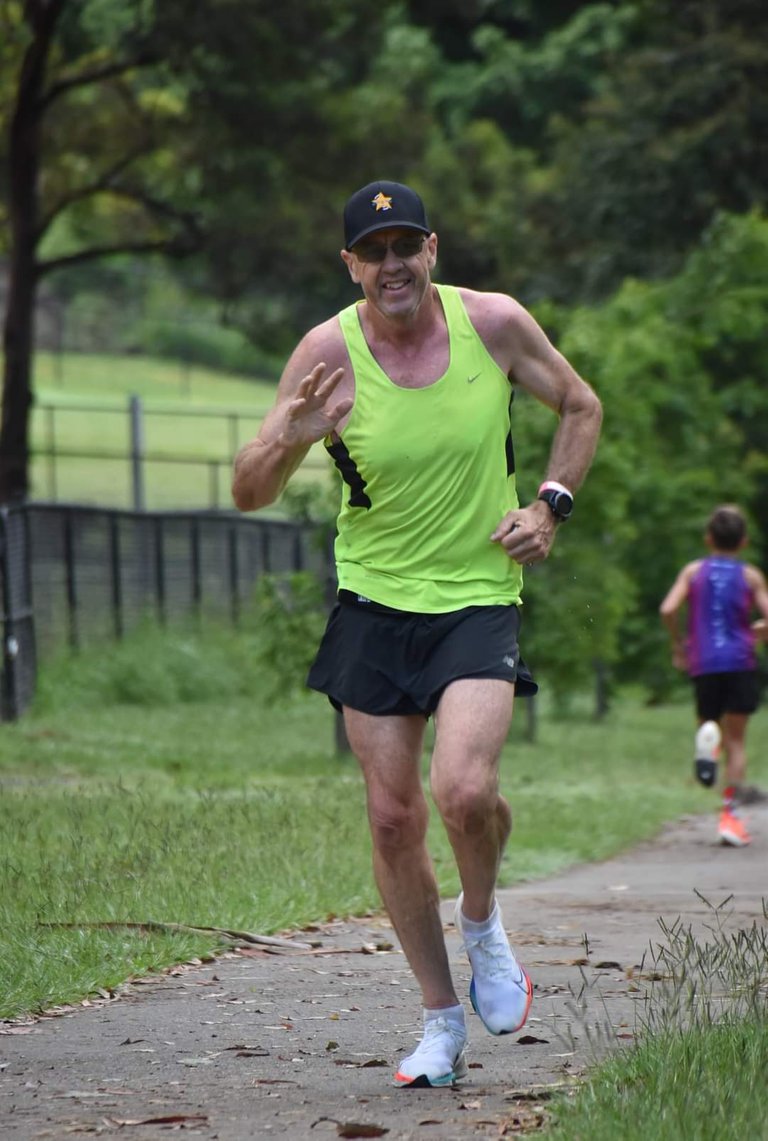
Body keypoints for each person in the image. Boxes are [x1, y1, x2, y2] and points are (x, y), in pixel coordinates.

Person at [232, 179, 602, 1087]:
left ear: (432, 248)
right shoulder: (328, 348)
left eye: (407, 245)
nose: (392, 264)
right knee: (393, 815)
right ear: (350, 263)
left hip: (478, 589)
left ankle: (481, 920)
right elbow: (247, 489)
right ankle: (440, 1021)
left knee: (466, 791)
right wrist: (290, 438)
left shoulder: (495, 324)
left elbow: (581, 406)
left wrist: (550, 507)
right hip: (375, 600)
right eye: (374, 250)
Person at [659, 504, 768, 847]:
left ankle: (707, 745)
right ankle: (729, 816)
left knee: (710, 725)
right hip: (739, 662)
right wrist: (755, 633)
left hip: (703, 662)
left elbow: (668, 608)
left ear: (708, 538)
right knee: (737, 742)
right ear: (744, 541)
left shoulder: (694, 572)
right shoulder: (751, 576)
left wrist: (679, 645)